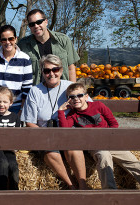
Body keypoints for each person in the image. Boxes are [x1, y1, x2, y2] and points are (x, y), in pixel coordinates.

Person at [58, 82, 140, 189]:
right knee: (104, 157)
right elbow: (65, 129)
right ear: (69, 100)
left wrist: (110, 138)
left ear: (86, 97)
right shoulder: (73, 114)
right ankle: (109, 192)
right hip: (94, 146)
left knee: (133, 162)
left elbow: (114, 123)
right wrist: (61, 112)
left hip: (111, 142)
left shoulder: (98, 106)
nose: (76, 99)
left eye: (79, 95)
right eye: (72, 97)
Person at [21, 54, 88, 190]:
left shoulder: (70, 87)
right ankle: (71, 185)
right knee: (50, 152)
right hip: (45, 133)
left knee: (73, 148)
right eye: (47, 71)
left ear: (61, 70)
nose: (51, 74)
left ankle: (83, 185)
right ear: (42, 73)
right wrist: (45, 135)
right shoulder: (35, 91)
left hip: (68, 130)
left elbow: (89, 106)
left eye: (55, 70)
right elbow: (29, 122)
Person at [0, 25, 33, 116]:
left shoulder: (25, 59)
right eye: (4, 40)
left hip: (15, 105)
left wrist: (22, 109)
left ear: (15, 39)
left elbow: (27, 88)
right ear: (0, 41)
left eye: (11, 39)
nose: (7, 42)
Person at [18, 9, 79, 85]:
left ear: (46, 22)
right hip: (36, 92)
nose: (36, 26)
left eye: (39, 22)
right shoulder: (23, 45)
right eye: (32, 24)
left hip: (62, 91)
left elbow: (71, 68)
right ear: (29, 27)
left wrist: (73, 91)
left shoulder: (63, 40)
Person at [0, 87, 21, 190]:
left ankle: (14, 192)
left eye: (5, 102)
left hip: (9, 148)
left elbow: (18, 135)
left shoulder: (15, 117)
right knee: (3, 163)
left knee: (13, 165)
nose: (2, 105)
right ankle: (2, 192)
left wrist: (15, 146)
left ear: (11, 103)